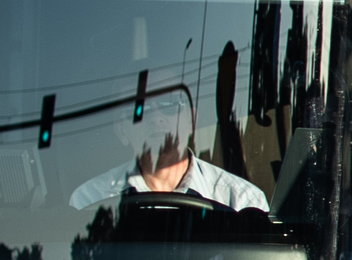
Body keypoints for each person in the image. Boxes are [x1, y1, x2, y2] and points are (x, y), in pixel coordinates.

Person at [67, 91, 267, 214]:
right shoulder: (90, 201)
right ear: (121, 130)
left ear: (192, 120)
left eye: (170, 104)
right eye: (141, 108)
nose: (156, 117)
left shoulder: (243, 201)